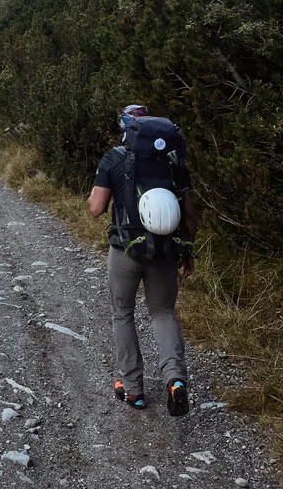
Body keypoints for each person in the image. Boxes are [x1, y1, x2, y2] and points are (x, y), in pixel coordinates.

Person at [88, 104, 197, 415]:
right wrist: (186, 251)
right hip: (165, 252)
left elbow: (96, 208)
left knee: (123, 314)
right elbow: (190, 213)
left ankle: (133, 390)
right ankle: (175, 381)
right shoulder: (174, 162)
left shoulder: (114, 158)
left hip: (125, 251)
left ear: (126, 128)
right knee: (163, 313)